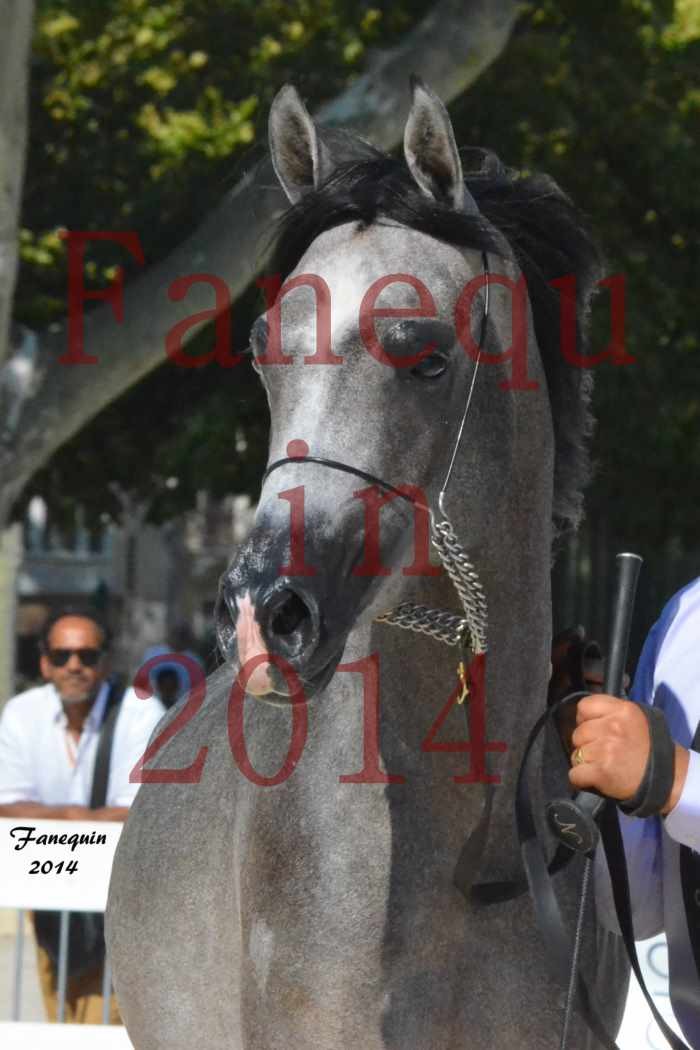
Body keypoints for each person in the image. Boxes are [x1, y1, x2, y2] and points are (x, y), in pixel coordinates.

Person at [0, 608, 166, 1024]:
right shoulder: (23, 714)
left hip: (118, 901)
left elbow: (138, 812)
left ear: (106, 662)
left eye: (87, 656)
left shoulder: (138, 712)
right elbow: (6, 804)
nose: (74, 665)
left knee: (104, 1023)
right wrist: (82, 816)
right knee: (62, 1018)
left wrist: (54, 822)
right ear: (44, 663)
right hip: (47, 902)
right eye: (61, 656)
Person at [569, 578, 700, 1047]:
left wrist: (671, 778)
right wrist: (598, 753)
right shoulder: (686, 615)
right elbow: (640, 908)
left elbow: (666, 780)